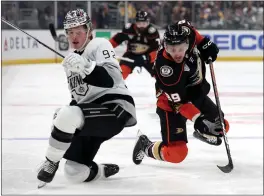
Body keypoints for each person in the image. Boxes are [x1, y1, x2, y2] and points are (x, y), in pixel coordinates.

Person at [37, 8, 137, 186]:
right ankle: (101, 170)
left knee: (67, 114)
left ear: (89, 31)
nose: (74, 36)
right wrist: (62, 126)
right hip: (92, 117)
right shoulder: (71, 62)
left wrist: (86, 66)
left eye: (79, 32)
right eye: (70, 32)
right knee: (74, 172)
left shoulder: (99, 44)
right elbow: (78, 100)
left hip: (114, 109)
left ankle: (50, 162)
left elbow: (113, 79)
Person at [132, 20, 230, 165]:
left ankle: (202, 131)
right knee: (177, 154)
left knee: (221, 126)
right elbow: (178, 102)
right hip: (171, 104)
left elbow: (189, 29)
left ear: (187, 42)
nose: (177, 54)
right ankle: (145, 146)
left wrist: (204, 43)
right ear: (165, 47)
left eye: (181, 48)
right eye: (172, 49)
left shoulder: (187, 34)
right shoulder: (165, 69)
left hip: (195, 92)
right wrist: (197, 119)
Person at [109, 10, 160, 79]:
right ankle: (117, 88)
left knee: (160, 74)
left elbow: (157, 49)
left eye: (144, 23)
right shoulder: (129, 29)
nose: (142, 26)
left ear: (148, 22)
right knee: (121, 74)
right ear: (135, 22)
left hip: (148, 56)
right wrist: (106, 47)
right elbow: (116, 39)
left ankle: (164, 89)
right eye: (139, 23)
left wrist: (147, 58)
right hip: (131, 55)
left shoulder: (152, 32)